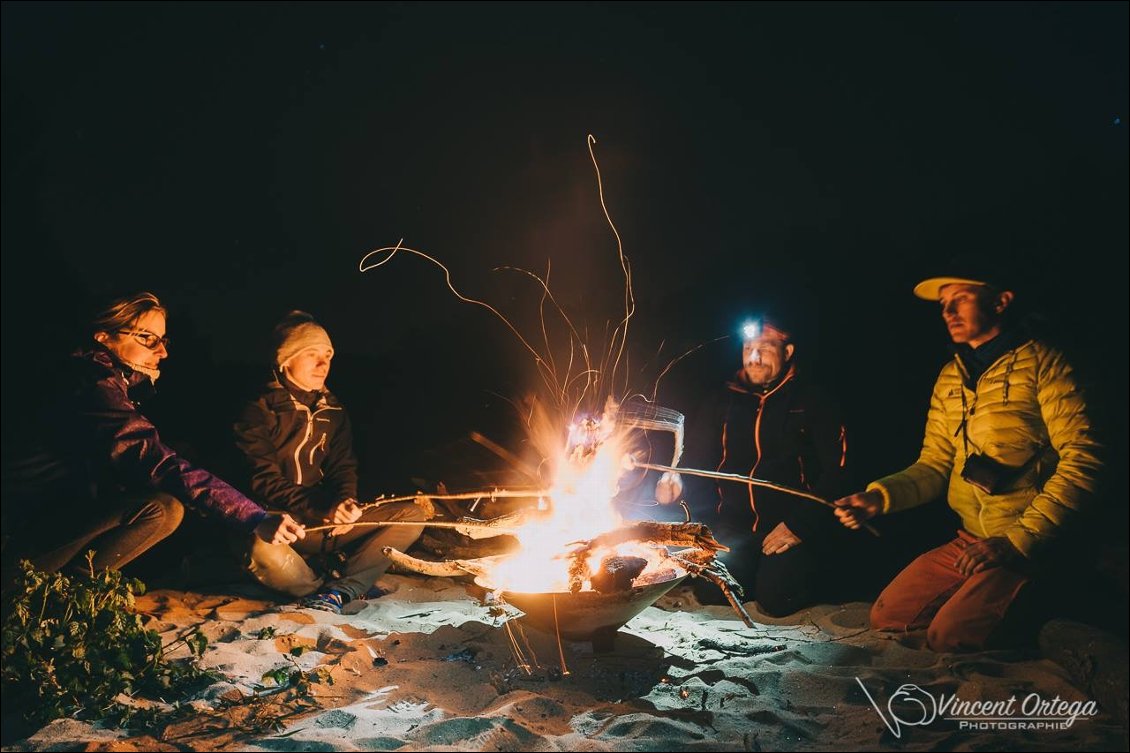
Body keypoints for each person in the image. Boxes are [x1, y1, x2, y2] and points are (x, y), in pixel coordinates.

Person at [834, 272, 1102, 651]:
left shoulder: (1046, 363)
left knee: (951, 636)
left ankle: (1049, 593)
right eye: (943, 304)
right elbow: (935, 465)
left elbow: (1084, 461)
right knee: (888, 616)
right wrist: (879, 498)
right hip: (970, 539)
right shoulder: (952, 377)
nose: (948, 311)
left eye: (961, 298)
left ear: (1001, 301)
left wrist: (1016, 541)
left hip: (1027, 541)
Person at [1, 292, 304, 586]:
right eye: (148, 338)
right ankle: (61, 592)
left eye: (163, 340)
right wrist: (252, 516)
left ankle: (69, 590)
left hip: (46, 526)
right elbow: (157, 462)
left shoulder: (104, 381)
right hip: (18, 543)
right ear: (103, 337)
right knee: (161, 510)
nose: (162, 352)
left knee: (169, 508)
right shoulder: (92, 384)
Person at [656, 315, 853, 616]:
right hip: (736, 527)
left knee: (777, 599)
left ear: (787, 352)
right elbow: (693, 459)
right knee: (712, 591)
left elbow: (840, 472)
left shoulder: (812, 400)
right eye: (748, 348)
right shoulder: (722, 401)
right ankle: (754, 569)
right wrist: (675, 482)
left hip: (791, 525)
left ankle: (809, 568)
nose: (755, 357)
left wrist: (801, 525)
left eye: (766, 347)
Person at [233, 311, 426, 614]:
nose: (323, 364)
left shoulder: (333, 410)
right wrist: (323, 506)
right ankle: (320, 586)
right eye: (312, 355)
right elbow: (261, 479)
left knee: (411, 515)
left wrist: (344, 503)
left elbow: (343, 467)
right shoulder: (256, 410)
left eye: (328, 355)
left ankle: (340, 589)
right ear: (285, 360)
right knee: (260, 548)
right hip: (278, 523)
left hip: (319, 522)